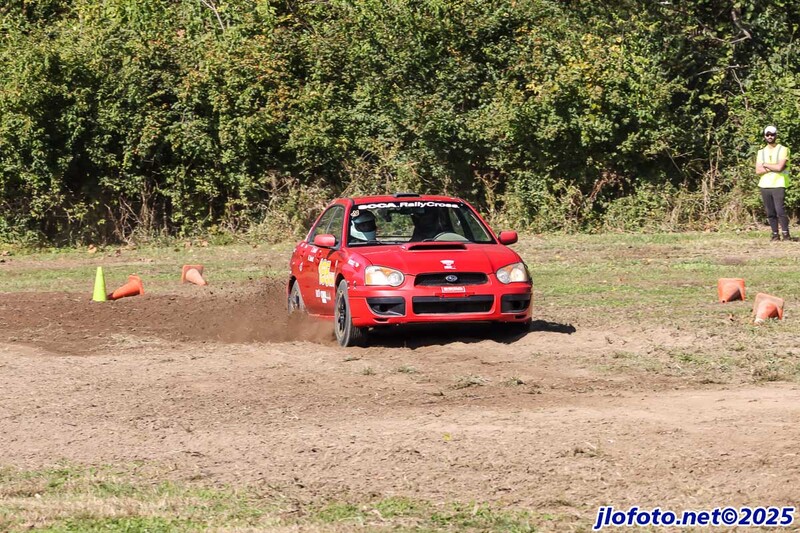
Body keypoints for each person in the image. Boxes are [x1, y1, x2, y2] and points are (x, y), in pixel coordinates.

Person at [756, 125, 791, 241]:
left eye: (772, 134)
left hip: (778, 183)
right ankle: (775, 234)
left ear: (776, 135)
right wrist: (773, 167)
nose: (770, 137)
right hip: (765, 185)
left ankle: (786, 234)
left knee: (780, 211)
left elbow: (780, 167)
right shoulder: (761, 152)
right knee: (770, 212)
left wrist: (765, 165)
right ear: (764, 136)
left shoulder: (783, 149)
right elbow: (758, 171)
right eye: (767, 135)